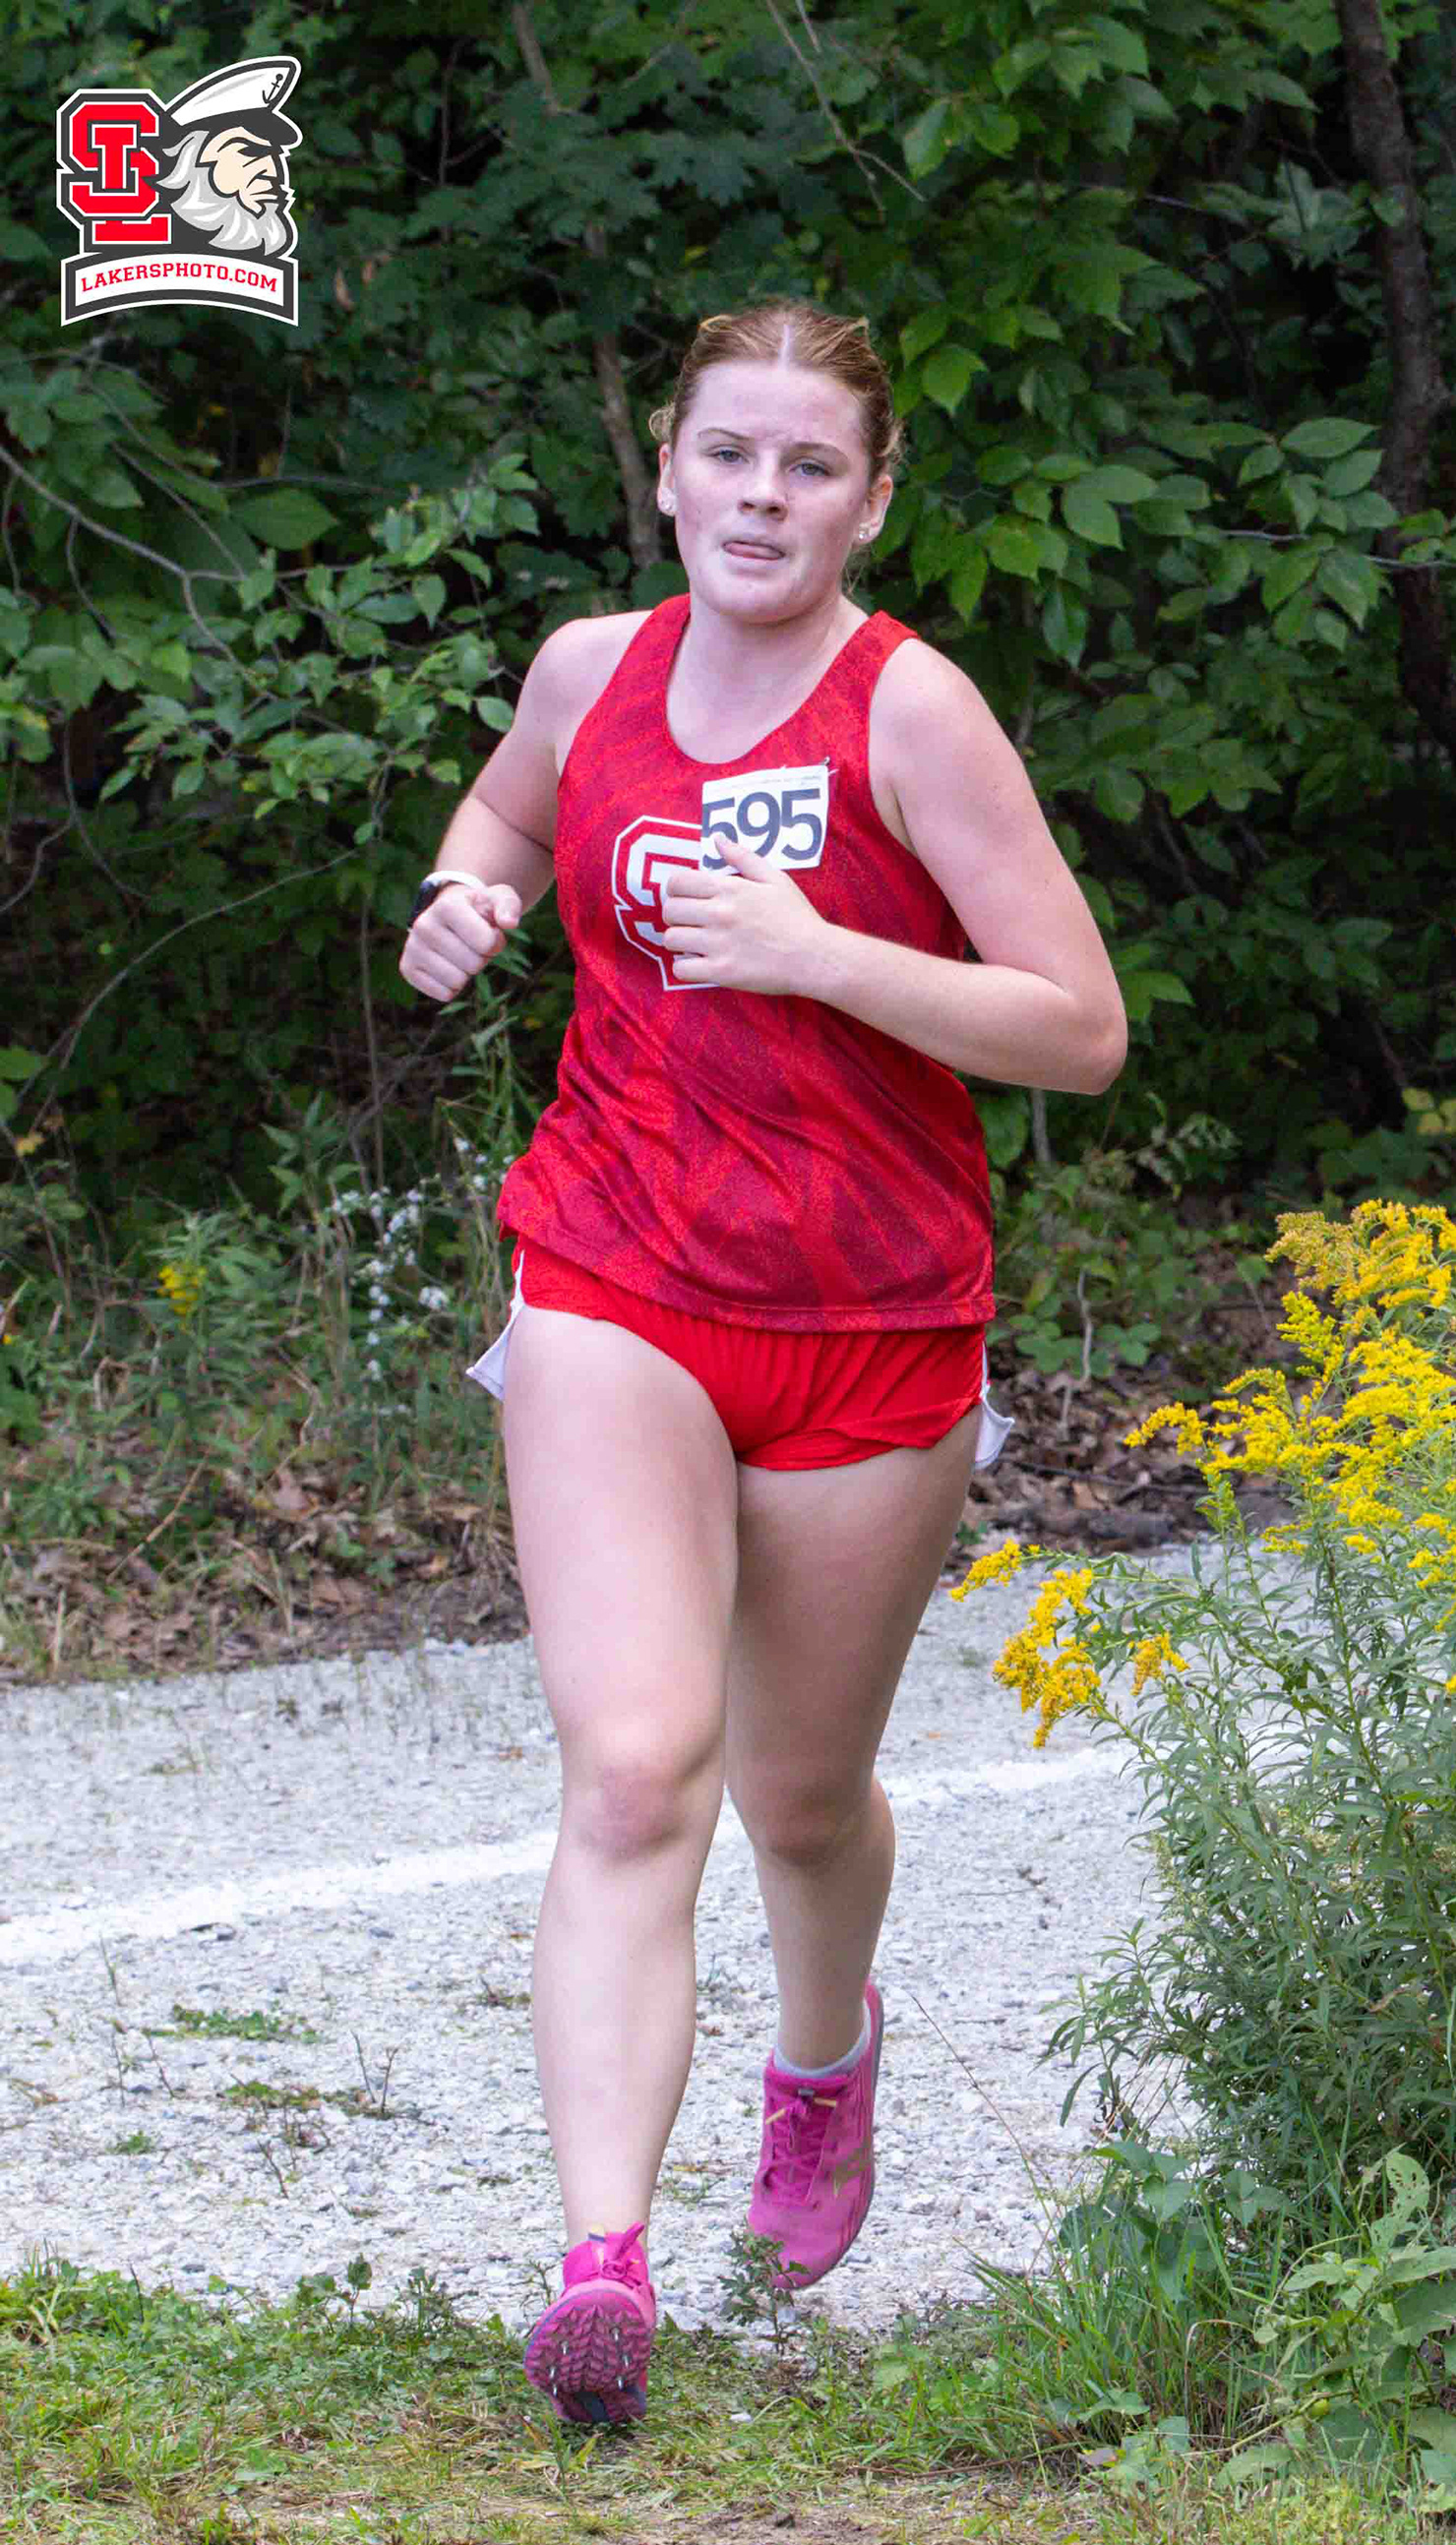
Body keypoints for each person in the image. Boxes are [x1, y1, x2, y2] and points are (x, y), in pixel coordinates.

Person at [398, 299, 1126, 2425]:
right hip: (613, 1265)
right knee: (639, 1764)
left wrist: (826, 957)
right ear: (668, 467)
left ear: (870, 499)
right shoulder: (587, 670)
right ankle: (601, 2263)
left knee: (800, 1796)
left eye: (811, 466)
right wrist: (465, 893)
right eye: (728, 453)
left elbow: (1079, 1026)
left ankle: (822, 2064)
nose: (760, 496)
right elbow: (504, 814)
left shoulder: (915, 713)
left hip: (872, 1313)